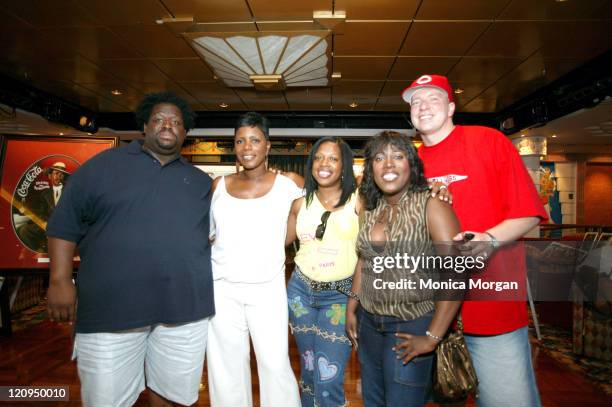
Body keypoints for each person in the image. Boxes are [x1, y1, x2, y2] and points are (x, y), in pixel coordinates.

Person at [46, 91, 214, 407]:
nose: (168, 125)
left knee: (172, 395)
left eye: (176, 121)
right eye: (160, 119)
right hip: (111, 312)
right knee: (106, 399)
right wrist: (59, 281)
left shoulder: (200, 181)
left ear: (185, 132)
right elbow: (63, 225)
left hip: (184, 312)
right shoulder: (101, 168)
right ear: (145, 127)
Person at [402, 74, 548, 406]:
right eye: (416, 102)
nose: (423, 106)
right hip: (429, 312)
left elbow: (529, 213)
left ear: (451, 106)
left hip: (491, 306)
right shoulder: (409, 165)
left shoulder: (489, 141)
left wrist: (489, 238)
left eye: (433, 99)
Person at [346, 131, 463, 407]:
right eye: (379, 158)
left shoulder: (432, 205)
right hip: (369, 323)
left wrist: (432, 338)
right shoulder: (370, 208)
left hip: (411, 324)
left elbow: (457, 272)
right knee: (373, 402)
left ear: (411, 164)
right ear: (371, 167)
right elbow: (364, 260)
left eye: (398, 156)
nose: (388, 165)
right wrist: (352, 306)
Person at [207, 112, 302, 407]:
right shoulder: (219, 187)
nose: (247, 147)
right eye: (240, 141)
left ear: (268, 145)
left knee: (275, 364)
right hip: (222, 289)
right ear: (234, 146)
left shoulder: (290, 184)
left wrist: (275, 243)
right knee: (226, 367)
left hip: (268, 289)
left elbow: (304, 221)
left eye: (255, 140)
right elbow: (210, 235)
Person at [285, 136, 359, 407]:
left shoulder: (359, 202)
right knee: (309, 370)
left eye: (333, 158)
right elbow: (274, 242)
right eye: (318, 157)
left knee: (329, 378)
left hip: (340, 296)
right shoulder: (298, 204)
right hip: (300, 293)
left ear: (344, 165)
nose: (324, 163)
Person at [15, 162, 70, 252]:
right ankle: (40, 250)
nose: (59, 176)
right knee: (23, 231)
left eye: (62, 174)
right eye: (56, 173)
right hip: (47, 225)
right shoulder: (44, 194)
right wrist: (45, 222)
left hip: (65, 226)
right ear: (49, 176)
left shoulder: (70, 191)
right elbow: (41, 212)